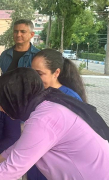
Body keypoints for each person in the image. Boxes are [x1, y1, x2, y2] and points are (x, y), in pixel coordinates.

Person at [0, 68, 109, 180]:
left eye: (1, 103)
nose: (1, 109)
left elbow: (13, 168)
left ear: (14, 99)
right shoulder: (45, 106)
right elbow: (25, 146)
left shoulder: (44, 118)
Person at [27, 48, 86, 180]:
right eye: (32, 73)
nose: (34, 79)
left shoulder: (71, 98)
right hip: (36, 164)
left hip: (58, 167)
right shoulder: (35, 93)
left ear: (56, 72)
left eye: (40, 74)